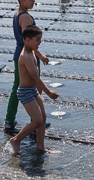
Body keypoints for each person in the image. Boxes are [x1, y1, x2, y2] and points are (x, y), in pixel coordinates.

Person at [9, 25, 60, 155]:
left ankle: (40, 147)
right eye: (37, 40)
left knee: (42, 118)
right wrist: (49, 93)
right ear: (27, 40)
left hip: (32, 90)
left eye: (40, 39)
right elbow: (35, 77)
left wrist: (41, 56)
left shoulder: (31, 50)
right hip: (25, 92)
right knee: (37, 120)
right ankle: (16, 140)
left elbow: (36, 51)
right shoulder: (25, 56)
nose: (40, 42)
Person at [4, 0, 49, 131]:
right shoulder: (25, 17)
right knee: (33, 87)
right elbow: (27, 39)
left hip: (19, 55)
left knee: (17, 86)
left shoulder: (18, 13)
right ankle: (36, 121)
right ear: (21, 0)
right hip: (27, 56)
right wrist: (40, 55)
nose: (33, 2)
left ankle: (9, 120)